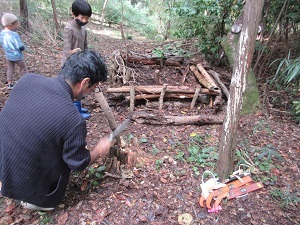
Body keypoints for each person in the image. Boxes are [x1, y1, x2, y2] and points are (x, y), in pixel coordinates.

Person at [0, 50, 112, 211]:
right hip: (31, 192)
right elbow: (77, 164)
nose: (90, 93)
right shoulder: (73, 119)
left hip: (4, 173)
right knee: (65, 159)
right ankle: (35, 201)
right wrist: (99, 150)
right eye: (92, 88)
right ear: (85, 82)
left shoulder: (27, 80)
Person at [62, 0, 93, 119]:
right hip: (70, 64)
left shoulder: (83, 30)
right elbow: (66, 52)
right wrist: (77, 51)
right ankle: (75, 112)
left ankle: (78, 107)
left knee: (80, 87)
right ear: (73, 14)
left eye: (87, 18)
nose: (85, 21)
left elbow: (86, 47)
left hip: (80, 63)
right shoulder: (68, 29)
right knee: (72, 88)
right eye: (82, 17)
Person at [0, 12, 28, 90]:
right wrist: (23, 48)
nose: (17, 25)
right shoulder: (14, 35)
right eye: (16, 24)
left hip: (8, 55)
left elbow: (1, 43)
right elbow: (19, 45)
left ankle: (9, 84)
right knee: (24, 69)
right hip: (17, 56)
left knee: (10, 68)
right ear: (10, 25)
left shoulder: (2, 33)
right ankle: (27, 82)